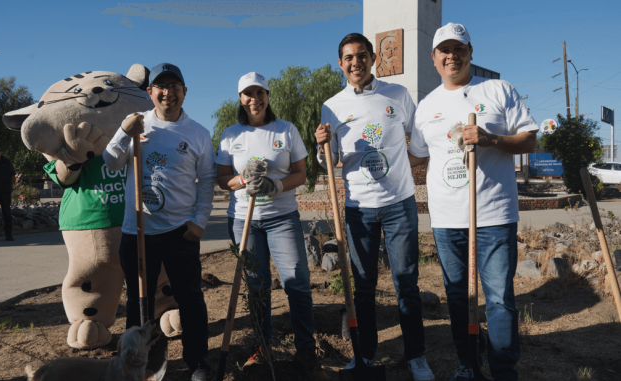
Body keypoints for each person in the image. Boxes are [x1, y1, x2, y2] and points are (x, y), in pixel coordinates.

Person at [408, 23, 538, 381]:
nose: (452, 56)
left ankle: (502, 370)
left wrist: (490, 139)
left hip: (494, 214)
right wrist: (366, 161)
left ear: (470, 52)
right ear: (434, 58)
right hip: (447, 219)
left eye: (459, 48)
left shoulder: (498, 90)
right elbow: (416, 157)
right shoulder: (427, 106)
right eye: (444, 50)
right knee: (457, 299)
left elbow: (529, 141)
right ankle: (468, 365)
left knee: (498, 299)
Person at [314, 33, 435, 381]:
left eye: (362, 55)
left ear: (373, 59)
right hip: (359, 209)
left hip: (399, 205)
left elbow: (420, 144)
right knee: (363, 286)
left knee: (405, 282)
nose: (356, 62)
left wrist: (399, 170)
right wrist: (322, 144)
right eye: (349, 57)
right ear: (341, 64)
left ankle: (416, 356)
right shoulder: (332, 106)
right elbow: (332, 162)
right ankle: (364, 356)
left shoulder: (397, 95)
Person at [103, 63, 216, 381]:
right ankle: (135, 365)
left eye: (175, 86)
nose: (168, 92)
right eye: (161, 87)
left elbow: (206, 180)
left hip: (181, 232)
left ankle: (198, 363)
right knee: (140, 302)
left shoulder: (198, 133)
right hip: (136, 231)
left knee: (191, 299)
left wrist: (200, 222)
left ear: (184, 92)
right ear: (150, 92)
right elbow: (111, 162)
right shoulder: (138, 124)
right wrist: (124, 132)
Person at [215, 72, 330, 381]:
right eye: (248, 94)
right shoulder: (230, 135)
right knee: (257, 286)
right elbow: (222, 179)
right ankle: (262, 348)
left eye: (260, 92)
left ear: (267, 95)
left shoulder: (286, 130)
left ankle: (306, 351)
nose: (255, 98)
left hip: (282, 218)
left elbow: (300, 174)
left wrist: (273, 185)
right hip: (244, 220)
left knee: (296, 281)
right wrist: (243, 180)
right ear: (241, 98)